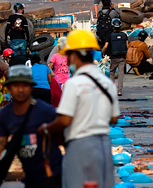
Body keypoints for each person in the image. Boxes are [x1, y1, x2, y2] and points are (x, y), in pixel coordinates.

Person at [39, 30, 118, 188]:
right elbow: (113, 118)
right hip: (103, 145)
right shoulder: (107, 83)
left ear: (74, 55)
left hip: (80, 147)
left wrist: (46, 129)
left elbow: (65, 120)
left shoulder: (73, 84)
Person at [0, 65, 63, 188]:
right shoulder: (5, 114)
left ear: (31, 87)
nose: (20, 90)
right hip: (30, 178)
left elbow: (63, 140)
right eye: (16, 85)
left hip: (53, 176)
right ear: (8, 87)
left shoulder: (46, 111)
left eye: (24, 85)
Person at [103, 17, 128, 96]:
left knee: (112, 73)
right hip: (122, 57)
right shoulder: (124, 35)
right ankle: (119, 90)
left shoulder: (110, 35)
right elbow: (127, 46)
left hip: (114, 56)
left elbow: (106, 46)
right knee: (121, 73)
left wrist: (102, 51)